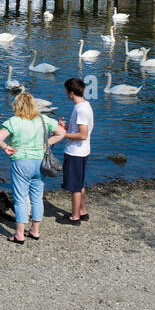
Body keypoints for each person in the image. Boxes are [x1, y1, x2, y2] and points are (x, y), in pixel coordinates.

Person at [0, 92, 65, 244]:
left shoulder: (14, 121)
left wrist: (6, 147)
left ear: (17, 106)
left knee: (20, 198)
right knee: (37, 198)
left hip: (21, 162)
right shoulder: (43, 119)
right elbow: (62, 133)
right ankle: (35, 231)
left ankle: (19, 234)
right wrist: (48, 143)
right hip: (40, 162)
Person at [58, 78, 94, 224]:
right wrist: (65, 127)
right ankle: (82, 211)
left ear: (71, 92)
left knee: (74, 186)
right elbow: (78, 129)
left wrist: (63, 135)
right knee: (79, 183)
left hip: (76, 152)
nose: (65, 93)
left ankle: (75, 217)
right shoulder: (84, 105)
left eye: (66, 90)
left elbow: (82, 135)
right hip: (82, 151)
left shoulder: (80, 109)